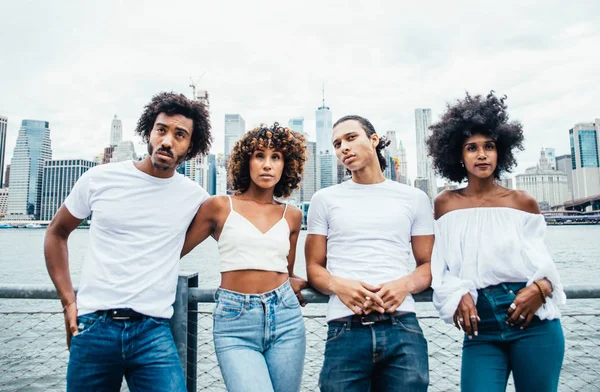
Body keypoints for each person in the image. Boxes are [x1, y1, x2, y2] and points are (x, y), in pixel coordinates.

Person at [44, 92, 212, 392]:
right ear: (149, 132)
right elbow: (57, 233)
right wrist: (69, 302)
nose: (167, 141)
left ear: (191, 147)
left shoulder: (196, 198)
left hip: (153, 332)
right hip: (94, 327)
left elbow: (235, 230)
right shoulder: (99, 179)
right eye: (161, 129)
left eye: (180, 135)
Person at [427, 91, 566, 392]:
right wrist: (458, 293)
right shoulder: (445, 204)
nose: (482, 155)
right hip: (481, 326)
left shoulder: (522, 202)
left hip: (533, 321)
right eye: (471, 148)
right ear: (457, 155)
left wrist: (541, 288)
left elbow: (544, 266)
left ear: (501, 150)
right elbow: (441, 267)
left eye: (489, 147)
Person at [305, 115, 433, 392]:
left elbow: (428, 265)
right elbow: (314, 267)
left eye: (351, 138)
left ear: (374, 140)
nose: (344, 148)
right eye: (337, 144)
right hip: (344, 328)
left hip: (402, 325)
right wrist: (340, 286)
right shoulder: (324, 200)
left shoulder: (414, 198)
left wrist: (404, 285)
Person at [181, 123, 308, 392]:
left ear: (287, 165)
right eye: (259, 156)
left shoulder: (292, 215)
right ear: (245, 162)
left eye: (276, 157)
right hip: (234, 321)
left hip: (286, 318)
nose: (267, 165)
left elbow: (287, 268)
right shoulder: (219, 206)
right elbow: (174, 251)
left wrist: (293, 281)